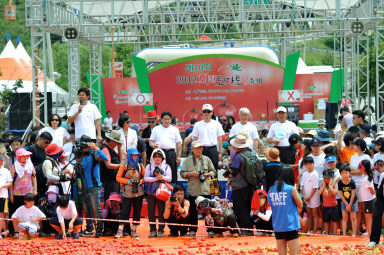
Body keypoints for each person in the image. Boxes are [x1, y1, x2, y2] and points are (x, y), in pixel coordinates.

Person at [180, 141, 216, 237]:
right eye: (197, 148)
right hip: (194, 190)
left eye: (200, 148)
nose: (199, 150)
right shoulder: (187, 161)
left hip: (205, 189)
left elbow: (213, 171)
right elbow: (182, 174)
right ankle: (192, 230)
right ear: (191, 149)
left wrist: (207, 174)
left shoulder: (207, 159)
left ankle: (210, 229)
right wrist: (191, 174)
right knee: (193, 212)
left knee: (208, 211)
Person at [77, 135, 107, 238]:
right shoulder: (81, 155)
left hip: (94, 186)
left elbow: (105, 157)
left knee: (96, 209)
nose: (83, 148)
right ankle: (89, 229)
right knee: (87, 209)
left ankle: (99, 230)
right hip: (85, 186)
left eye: (85, 146)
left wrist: (96, 148)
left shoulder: (94, 154)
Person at [268, 165, 302, 255]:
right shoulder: (291, 189)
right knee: (295, 253)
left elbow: (272, 206)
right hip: (290, 225)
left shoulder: (271, 190)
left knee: (282, 253)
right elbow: (301, 205)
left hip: (277, 225)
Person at [228, 134, 255, 236]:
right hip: (250, 184)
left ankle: (245, 230)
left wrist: (229, 172)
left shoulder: (238, 157)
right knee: (248, 207)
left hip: (239, 186)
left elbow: (234, 171)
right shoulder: (250, 153)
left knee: (240, 208)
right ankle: (250, 229)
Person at [115, 147, 145, 238]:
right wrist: (128, 182)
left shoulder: (140, 166)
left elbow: (145, 177)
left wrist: (140, 181)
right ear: (129, 156)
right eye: (133, 155)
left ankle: (134, 230)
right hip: (127, 193)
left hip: (138, 192)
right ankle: (120, 230)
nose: (135, 157)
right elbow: (118, 178)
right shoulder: (124, 165)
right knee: (125, 211)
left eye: (136, 155)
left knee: (137, 211)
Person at [10, 148, 37, 239]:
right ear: (19, 157)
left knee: (29, 212)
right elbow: (10, 181)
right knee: (15, 213)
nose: (26, 158)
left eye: (26, 156)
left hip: (28, 192)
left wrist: (35, 190)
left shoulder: (30, 165)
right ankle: (15, 231)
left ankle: (30, 230)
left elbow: (34, 177)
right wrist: (11, 194)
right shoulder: (14, 166)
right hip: (17, 193)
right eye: (23, 156)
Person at [144, 149, 172, 238]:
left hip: (162, 192)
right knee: (151, 211)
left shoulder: (167, 167)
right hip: (151, 191)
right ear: (152, 157)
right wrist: (156, 179)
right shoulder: (149, 166)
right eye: (155, 156)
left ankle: (161, 230)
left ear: (162, 158)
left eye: (159, 157)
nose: (157, 158)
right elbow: (145, 178)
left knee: (161, 211)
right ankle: (152, 230)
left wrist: (162, 177)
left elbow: (169, 178)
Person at [150, 111, 182, 183]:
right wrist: (153, 145)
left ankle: (173, 189)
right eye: (165, 119)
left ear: (171, 119)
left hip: (171, 153)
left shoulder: (175, 129)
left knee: (172, 172)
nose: (167, 121)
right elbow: (151, 141)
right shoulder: (156, 129)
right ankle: (159, 190)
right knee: (158, 172)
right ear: (161, 119)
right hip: (159, 154)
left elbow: (179, 144)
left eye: (168, 119)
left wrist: (179, 156)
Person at [192, 104, 224, 170]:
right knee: (201, 170)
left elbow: (220, 139)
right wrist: (195, 152)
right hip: (201, 150)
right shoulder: (197, 125)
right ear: (202, 113)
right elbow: (195, 140)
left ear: (212, 113)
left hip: (213, 150)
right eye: (204, 111)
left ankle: (214, 181)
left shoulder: (217, 124)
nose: (206, 113)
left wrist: (220, 152)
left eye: (208, 111)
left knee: (214, 170)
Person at [350, 138, 371, 231]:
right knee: (357, 209)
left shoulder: (366, 157)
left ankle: (367, 229)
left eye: (354, 145)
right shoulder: (353, 157)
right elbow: (352, 170)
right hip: (354, 185)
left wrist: (355, 171)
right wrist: (358, 171)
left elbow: (362, 171)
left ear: (358, 146)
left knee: (364, 208)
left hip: (363, 185)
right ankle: (358, 229)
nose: (353, 146)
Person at [100, 130, 122, 202]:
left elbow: (119, 159)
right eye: (116, 142)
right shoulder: (105, 149)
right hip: (109, 181)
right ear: (111, 141)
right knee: (110, 202)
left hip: (113, 180)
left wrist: (119, 148)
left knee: (115, 201)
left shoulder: (111, 149)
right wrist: (121, 166)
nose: (116, 144)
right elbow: (108, 165)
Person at [300, 156, 320, 234]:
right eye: (307, 164)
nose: (309, 166)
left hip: (314, 197)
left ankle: (314, 231)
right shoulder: (305, 174)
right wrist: (305, 196)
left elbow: (315, 187)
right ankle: (309, 230)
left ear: (313, 164)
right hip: (306, 197)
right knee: (309, 214)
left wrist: (309, 197)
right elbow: (303, 186)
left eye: (311, 164)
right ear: (305, 165)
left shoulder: (315, 174)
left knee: (315, 214)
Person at [338, 162, 358, 236]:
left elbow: (353, 194)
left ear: (349, 173)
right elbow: (341, 195)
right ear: (340, 174)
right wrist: (347, 204)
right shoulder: (340, 182)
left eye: (346, 173)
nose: (345, 175)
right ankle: (344, 233)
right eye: (343, 173)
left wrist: (350, 205)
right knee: (344, 217)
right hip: (344, 201)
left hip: (353, 201)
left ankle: (354, 233)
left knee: (353, 217)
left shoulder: (352, 182)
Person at [318, 169, 339, 235]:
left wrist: (330, 186)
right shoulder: (323, 184)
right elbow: (319, 193)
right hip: (325, 206)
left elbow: (335, 193)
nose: (326, 179)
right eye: (325, 178)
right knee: (326, 221)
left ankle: (334, 233)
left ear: (332, 177)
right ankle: (326, 233)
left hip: (334, 205)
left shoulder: (334, 184)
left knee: (334, 221)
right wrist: (324, 186)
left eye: (328, 178)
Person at [369, 160, 384, 246]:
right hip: (381, 197)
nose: (378, 170)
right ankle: (374, 240)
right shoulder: (381, 175)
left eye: (379, 168)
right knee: (376, 215)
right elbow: (379, 188)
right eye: (376, 169)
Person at [359, 159, 375, 237]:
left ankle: (370, 234)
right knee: (368, 217)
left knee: (369, 217)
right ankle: (369, 233)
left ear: (363, 168)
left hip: (370, 200)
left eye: (360, 166)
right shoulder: (366, 177)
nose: (359, 168)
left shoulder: (367, 178)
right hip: (367, 200)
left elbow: (372, 191)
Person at [0, 152, 12, 238]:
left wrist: (2, 186)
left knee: (2, 214)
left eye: (1, 161)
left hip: (3, 195)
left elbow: (10, 183)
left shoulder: (6, 171)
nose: (1, 162)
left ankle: (2, 230)